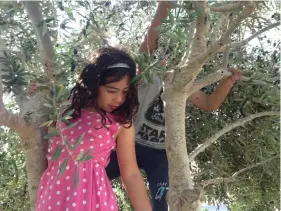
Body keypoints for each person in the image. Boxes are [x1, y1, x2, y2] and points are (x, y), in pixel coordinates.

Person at [106, 2, 243, 211]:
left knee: (163, 205)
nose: (164, 60)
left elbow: (209, 103)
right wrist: (164, 8)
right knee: (94, 171)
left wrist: (228, 81)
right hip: (131, 145)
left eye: (170, 58)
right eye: (161, 55)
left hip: (161, 154)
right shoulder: (145, 77)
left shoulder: (182, 86)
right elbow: (147, 47)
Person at [36, 47, 152, 211]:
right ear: (94, 84)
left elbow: (131, 175)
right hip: (53, 200)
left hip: (93, 202)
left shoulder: (120, 124)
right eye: (111, 90)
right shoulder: (62, 110)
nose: (119, 98)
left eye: (125, 92)